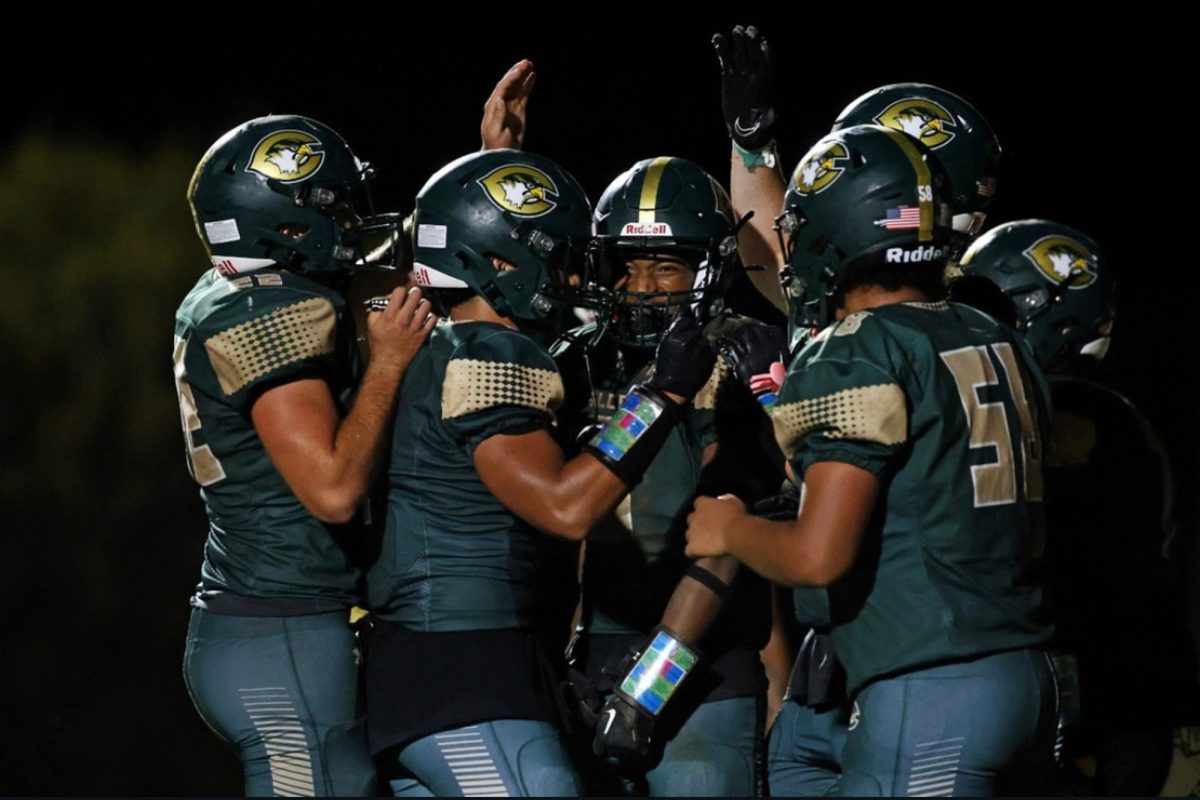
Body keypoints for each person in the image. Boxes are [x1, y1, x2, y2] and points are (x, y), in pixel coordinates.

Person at [685, 123, 1057, 796]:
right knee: (794, 772)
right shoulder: (992, 334)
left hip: (930, 684)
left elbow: (815, 558)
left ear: (836, 231)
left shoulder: (857, 348)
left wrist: (728, 529)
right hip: (1025, 673)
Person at [364, 149, 719, 797]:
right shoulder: (492, 349)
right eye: (556, 259)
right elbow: (565, 508)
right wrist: (659, 397)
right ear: (501, 262)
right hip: (466, 668)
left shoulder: (421, 344)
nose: (571, 280)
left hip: (416, 664)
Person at [175, 114, 436, 796]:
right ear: (284, 226)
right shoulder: (269, 314)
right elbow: (333, 490)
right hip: (280, 633)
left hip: (267, 624)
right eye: (333, 209)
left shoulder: (238, 288)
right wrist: (387, 366)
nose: (350, 222)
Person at [554, 156, 782, 796]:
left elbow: (726, 531)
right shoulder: (582, 358)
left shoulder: (736, 355)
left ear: (707, 269)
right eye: (628, 266)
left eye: (666, 266)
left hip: (700, 662)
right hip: (587, 649)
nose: (643, 286)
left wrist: (646, 689)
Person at [956, 220, 1200, 795]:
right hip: (1121, 694)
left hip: (1106, 705)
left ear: (1049, 312)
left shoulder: (1076, 414)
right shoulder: (1104, 410)